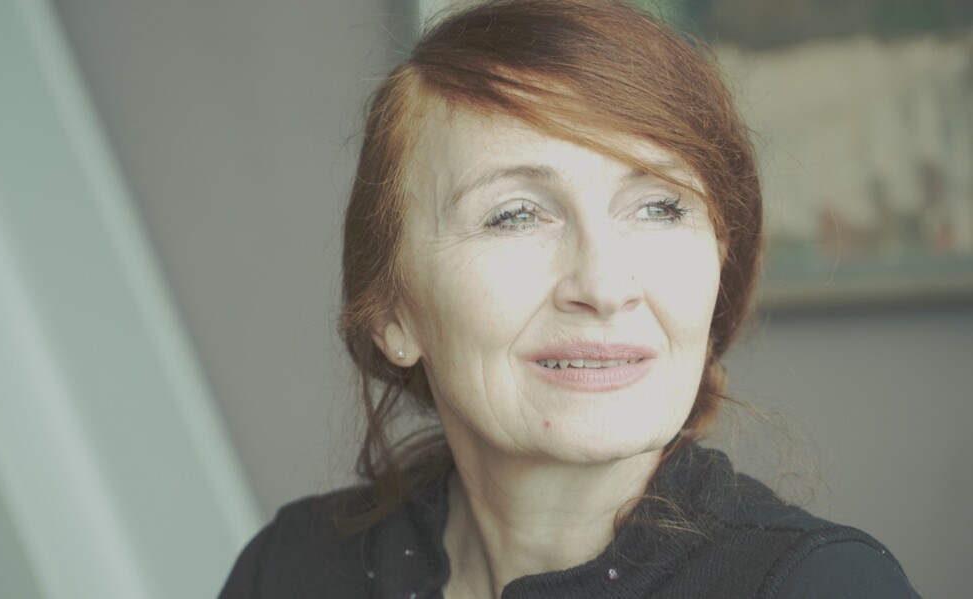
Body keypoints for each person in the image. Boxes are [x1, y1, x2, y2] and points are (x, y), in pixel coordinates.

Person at [220, 0, 919, 596]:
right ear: (391, 313)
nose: (605, 286)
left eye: (660, 207)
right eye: (515, 215)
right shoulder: (290, 567)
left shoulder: (820, 585)